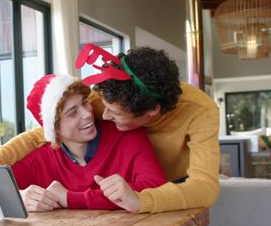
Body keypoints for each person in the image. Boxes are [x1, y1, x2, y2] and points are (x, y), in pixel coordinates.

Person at [0, 45, 220, 226]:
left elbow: (205, 186)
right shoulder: (108, 96)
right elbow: (41, 133)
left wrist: (139, 199)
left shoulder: (200, 111)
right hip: (129, 191)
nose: (102, 116)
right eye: (103, 107)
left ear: (151, 113)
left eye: (114, 114)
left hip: (176, 185)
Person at [10, 74, 166, 211]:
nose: (87, 114)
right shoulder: (40, 159)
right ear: (54, 129)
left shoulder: (126, 133)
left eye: (85, 102)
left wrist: (70, 198)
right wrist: (21, 198)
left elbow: (156, 186)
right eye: (72, 113)